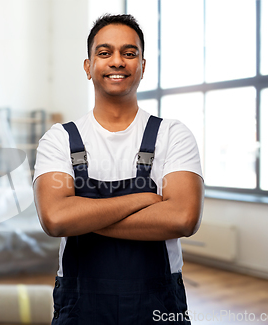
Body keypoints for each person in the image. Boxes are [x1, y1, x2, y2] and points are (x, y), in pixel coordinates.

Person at [33, 14, 204, 324]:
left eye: (129, 53)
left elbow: (183, 218)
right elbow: (56, 219)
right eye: (104, 52)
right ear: (88, 67)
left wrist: (81, 215)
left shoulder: (173, 135)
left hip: (157, 301)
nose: (117, 61)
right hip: (80, 302)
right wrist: (142, 200)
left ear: (142, 66)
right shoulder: (60, 138)